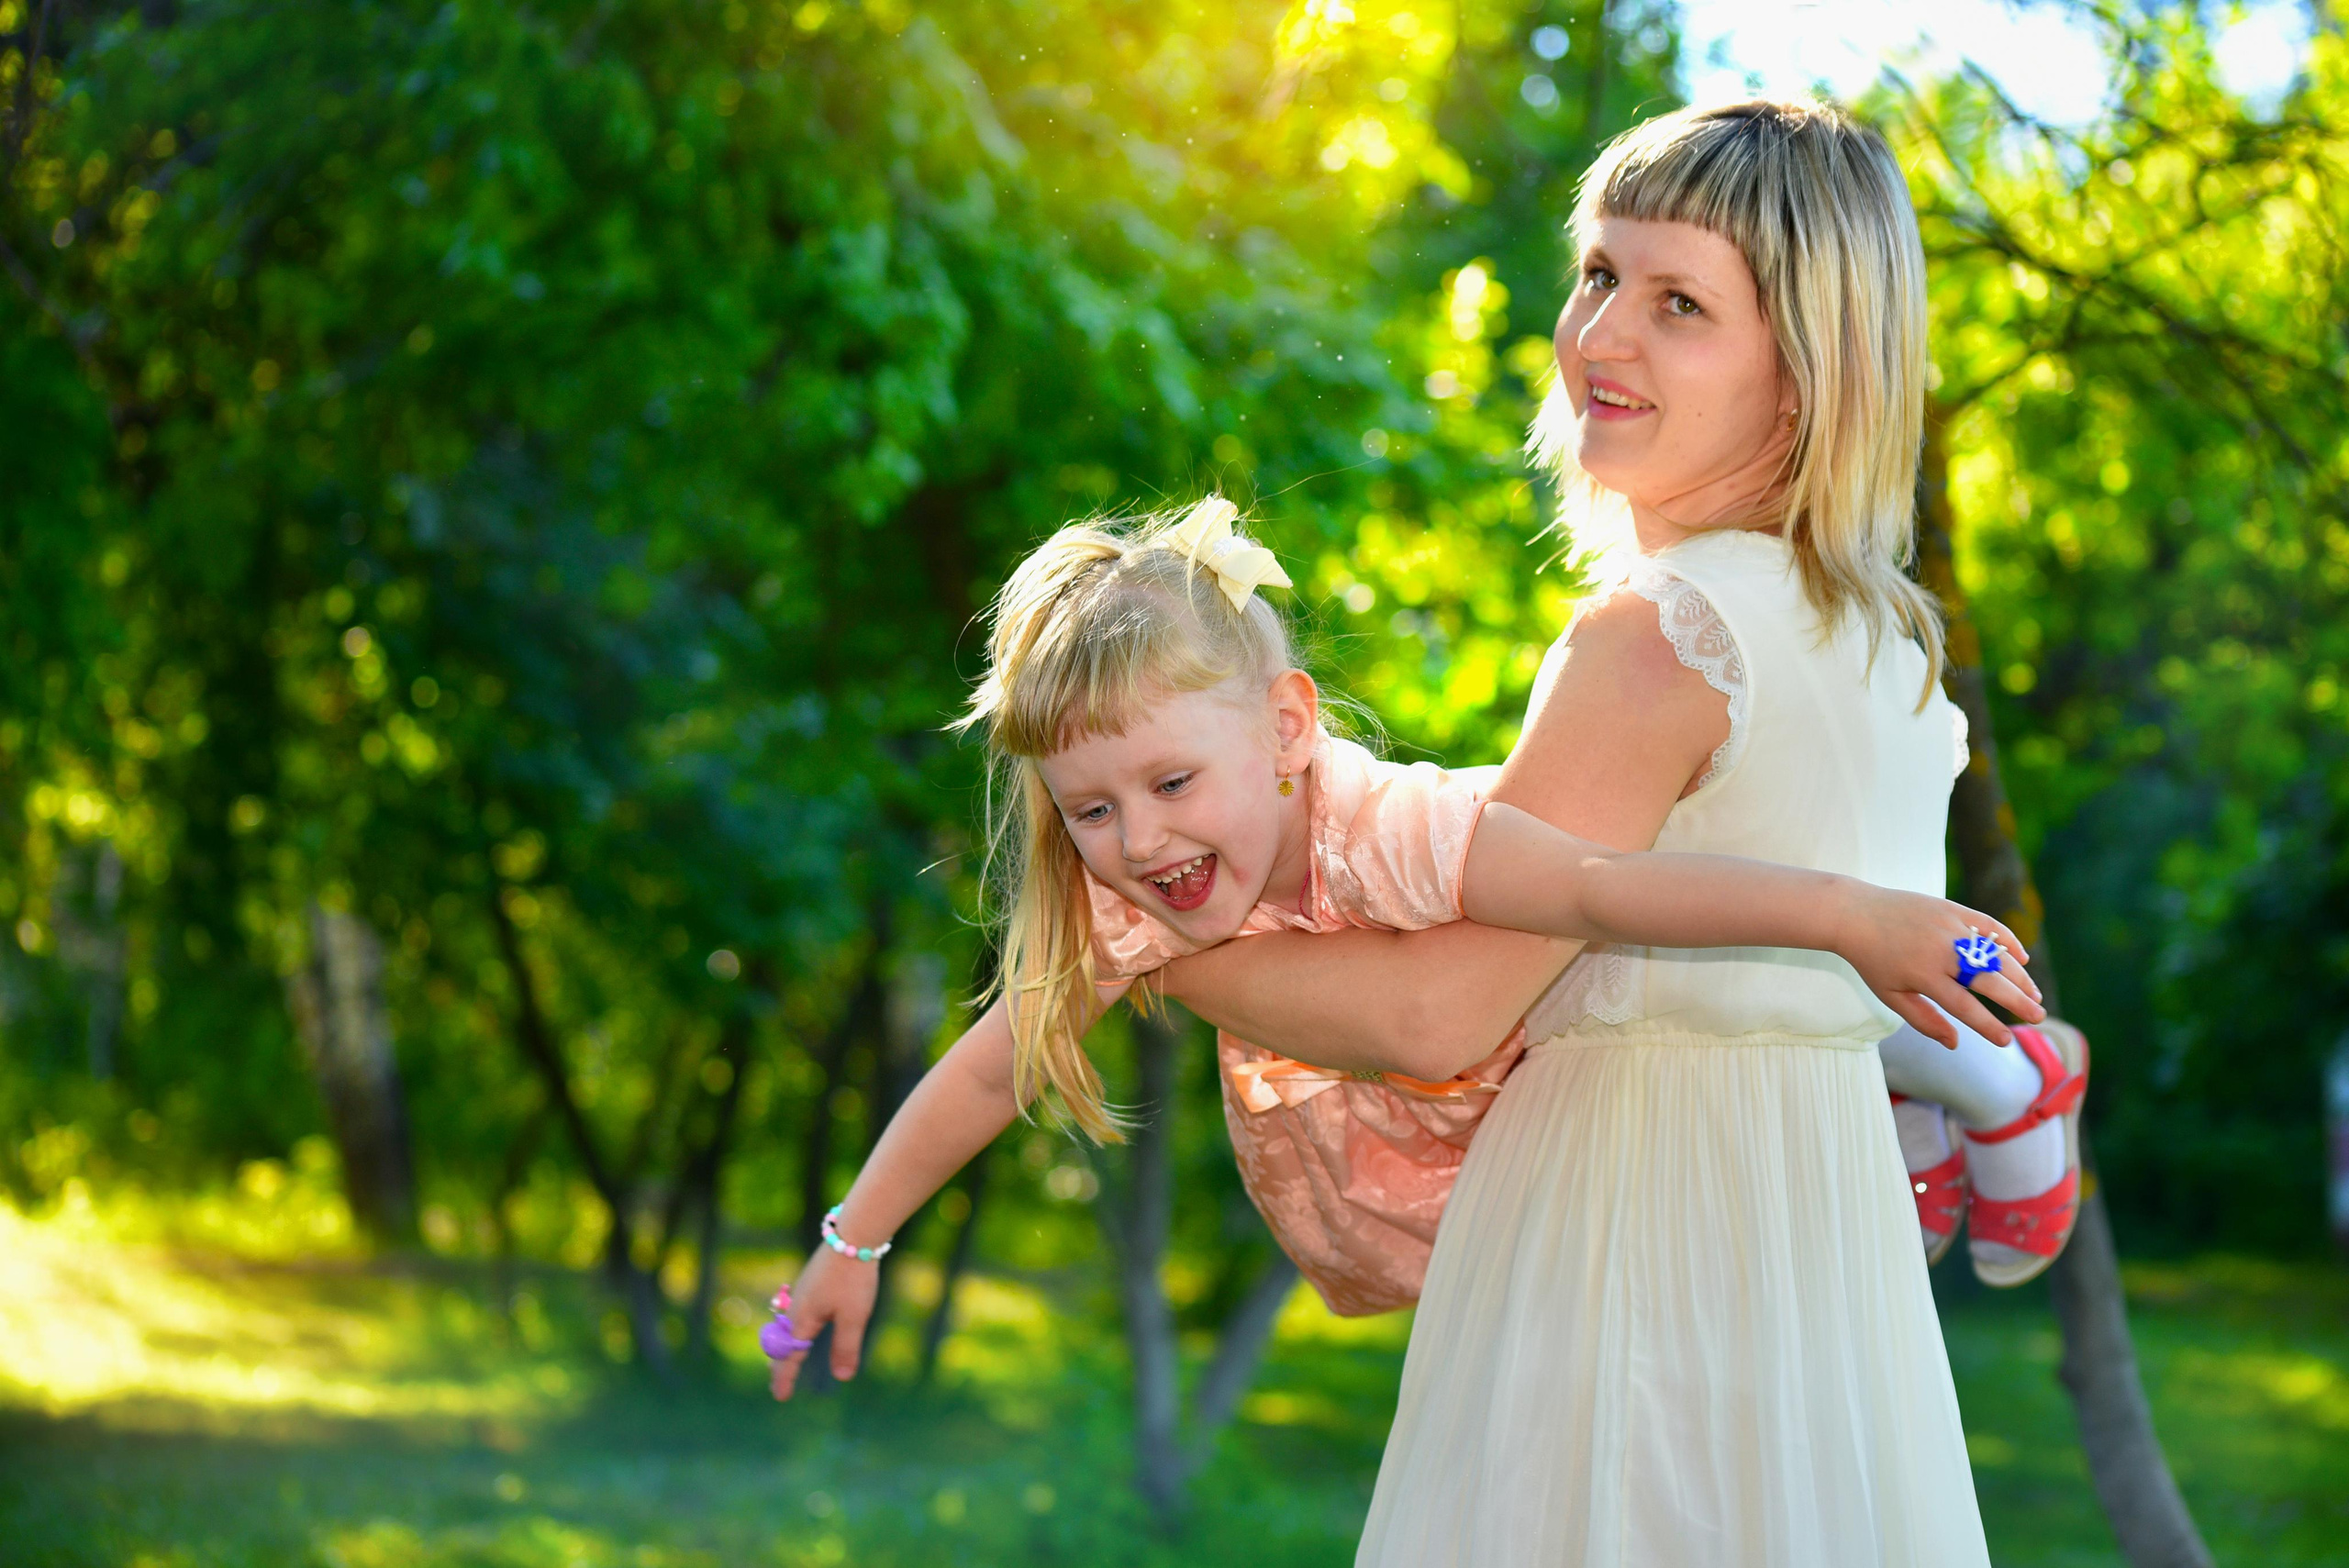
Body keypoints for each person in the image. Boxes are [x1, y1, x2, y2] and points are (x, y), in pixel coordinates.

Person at [1152, 100, 2087, 1565]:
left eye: (1680, 303)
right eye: (1598, 273)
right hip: (1813, 1262)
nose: (1604, 333)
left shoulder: (1660, 637)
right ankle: (1980, 1086)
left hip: (1635, 1240)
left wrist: (1148, 959)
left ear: (1805, 369)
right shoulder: (1892, 647)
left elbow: (1436, 1007)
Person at [765, 493, 2042, 1397]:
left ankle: (2003, 1076)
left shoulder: (1398, 831)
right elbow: (996, 1063)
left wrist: (1850, 915)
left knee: (1654, 969)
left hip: (1586, 1050)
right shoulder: (1134, 906)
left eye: (1168, 780)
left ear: (1284, 727)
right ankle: (1917, 1111)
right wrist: (854, 1236)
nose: (1139, 838)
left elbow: (1603, 884)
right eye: (1090, 809)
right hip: (1496, 1190)